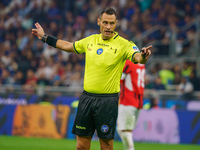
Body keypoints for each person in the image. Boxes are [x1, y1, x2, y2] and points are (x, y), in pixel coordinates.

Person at [32, 7, 152, 150]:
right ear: (99, 22)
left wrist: (144, 56)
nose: (108, 27)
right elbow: (69, 46)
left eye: (112, 23)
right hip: (87, 99)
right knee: (81, 146)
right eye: (105, 22)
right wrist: (45, 37)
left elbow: (138, 57)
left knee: (106, 146)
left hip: (107, 102)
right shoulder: (90, 40)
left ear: (116, 23)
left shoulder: (124, 44)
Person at [117, 60, 145, 150]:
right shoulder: (141, 63)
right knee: (126, 130)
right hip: (138, 101)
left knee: (123, 129)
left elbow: (119, 79)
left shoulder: (128, 63)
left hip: (128, 101)